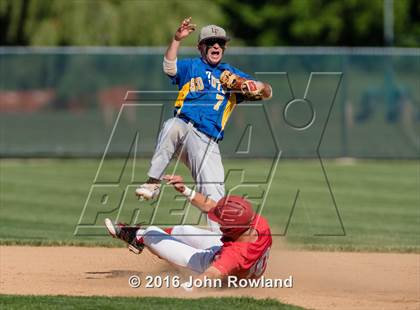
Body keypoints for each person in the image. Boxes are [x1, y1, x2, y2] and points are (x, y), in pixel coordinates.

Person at [135, 17, 272, 232]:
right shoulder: (192, 66)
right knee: (172, 125)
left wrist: (256, 85)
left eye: (220, 43)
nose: (216, 45)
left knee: (215, 199)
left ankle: (221, 246)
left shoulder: (232, 74)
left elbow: (267, 93)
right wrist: (176, 39)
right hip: (184, 128)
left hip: (207, 142)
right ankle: (153, 182)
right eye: (211, 42)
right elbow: (169, 68)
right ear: (201, 47)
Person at [105, 174, 272, 286]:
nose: (218, 223)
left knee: (150, 233)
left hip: (213, 269)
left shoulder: (234, 255)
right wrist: (184, 189)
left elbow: (211, 275)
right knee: (183, 229)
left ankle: (137, 236)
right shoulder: (257, 223)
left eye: (222, 223)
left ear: (231, 229)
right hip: (239, 266)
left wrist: (187, 288)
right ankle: (164, 249)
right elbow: (210, 206)